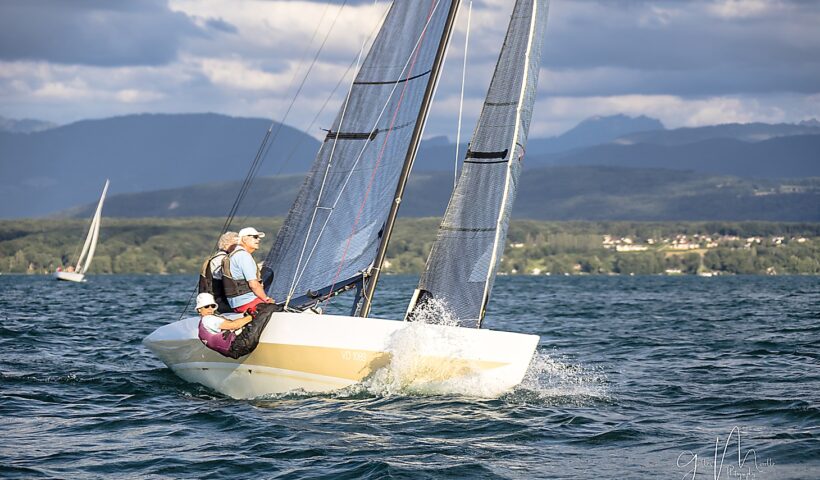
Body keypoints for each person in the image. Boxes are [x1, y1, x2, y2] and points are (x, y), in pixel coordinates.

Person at [195, 292, 270, 359]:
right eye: (206, 306)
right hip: (239, 345)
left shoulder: (202, 324)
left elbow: (230, 325)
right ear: (199, 309)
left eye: (212, 306)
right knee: (267, 308)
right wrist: (252, 315)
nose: (210, 309)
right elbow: (234, 325)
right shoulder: (208, 319)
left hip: (233, 351)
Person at [222, 227, 275, 314]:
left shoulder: (233, 255)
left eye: (259, 238)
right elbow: (253, 284)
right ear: (244, 239)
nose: (258, 240)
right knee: (276, 307)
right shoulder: (244, 256)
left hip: (236, 304)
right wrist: (266, 300)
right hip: (247, 302)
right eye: (255, 237)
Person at [198, 231, 239, 313]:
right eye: (236, 244)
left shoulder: (217, 258)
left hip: (217, 300)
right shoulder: (222, 259)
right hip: (220, 302)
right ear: (227, 245)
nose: (238, 247)